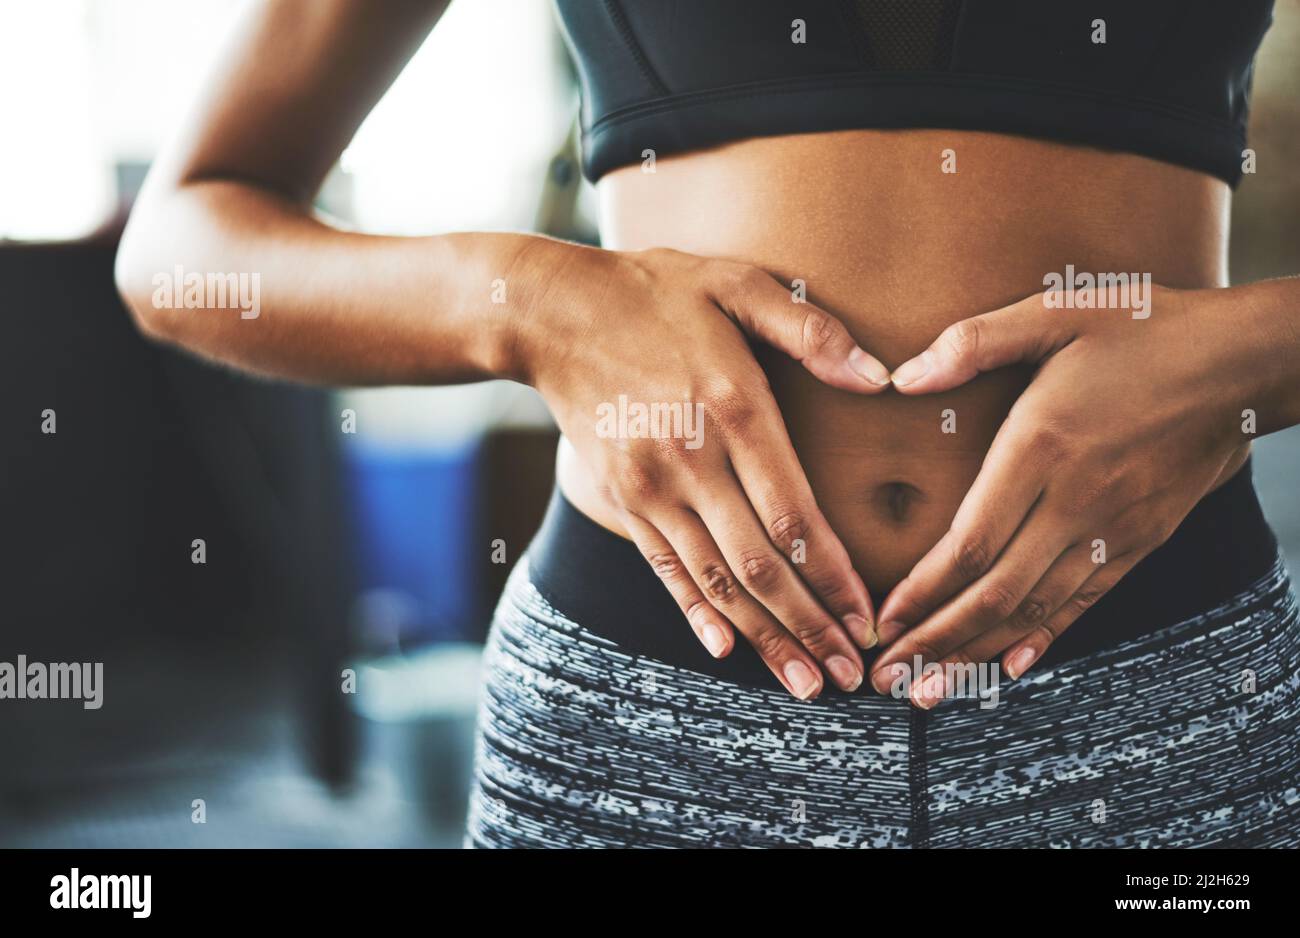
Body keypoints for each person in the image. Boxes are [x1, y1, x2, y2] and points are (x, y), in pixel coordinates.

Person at [117, 0, 1300, 847]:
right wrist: (531, 303)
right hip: (649, 712)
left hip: (1159, 698)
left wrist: (1256, 352)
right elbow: (185, 243)